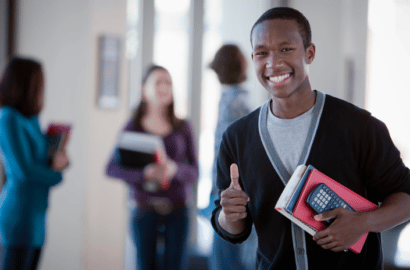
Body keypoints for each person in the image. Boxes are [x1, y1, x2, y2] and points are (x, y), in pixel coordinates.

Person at [211, 7, 410, 270]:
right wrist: (229, 215)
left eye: (286, 49)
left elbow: (406, 195)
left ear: (309, 53)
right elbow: (234, 229)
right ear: (253, 59)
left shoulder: (359, 127)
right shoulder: (237, 137)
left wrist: (364, 223)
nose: (273, 63)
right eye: (262, 53)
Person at [106, 65, 198, 270]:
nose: (164, 87)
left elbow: (194, 172)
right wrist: (143, 174)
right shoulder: (133, 126)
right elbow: (111, 168)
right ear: (143, 89)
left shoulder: (183, 127)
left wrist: (175, 170)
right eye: (158, 82)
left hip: (178, 211)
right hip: (143, 212)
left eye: (168, 83)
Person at [0, 57, 69, 270]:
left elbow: (41, 159)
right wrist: (56, 174)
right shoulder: (8, 118)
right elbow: (25, 172)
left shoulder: (32, 118)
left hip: (38, 213)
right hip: (19, 215)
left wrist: (58, 154)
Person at [206, 44, 257, 270]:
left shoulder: (232, 102)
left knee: (226, 259)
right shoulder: (238, 101)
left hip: (228, 194)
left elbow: (226, 155)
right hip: (228, 194)